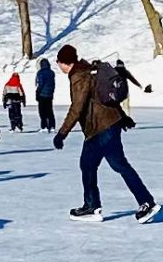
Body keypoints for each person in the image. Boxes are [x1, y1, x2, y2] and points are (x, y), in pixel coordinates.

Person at [53, 45, 154, 220]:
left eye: (59, 63)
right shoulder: (89, 70)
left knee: (118, 165)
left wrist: (62, 133)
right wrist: (122, 116)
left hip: (101, 128)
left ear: (63, 63)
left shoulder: (79, 76)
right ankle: (92, 206)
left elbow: (77, 108)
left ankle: (147, 202)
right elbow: (100, 98)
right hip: (103, 126)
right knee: (88, 165)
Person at [34, 58, 57, 133]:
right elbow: (53, 84)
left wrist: (37, 92)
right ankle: (52, 126)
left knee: (42, 111)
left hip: (42, 95)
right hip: (50, 95)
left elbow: (40, 84)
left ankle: (44, 126)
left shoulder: (40, 73)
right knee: (50, 111)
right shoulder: (51, 72)